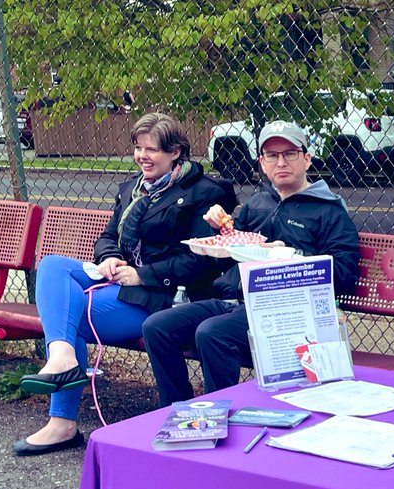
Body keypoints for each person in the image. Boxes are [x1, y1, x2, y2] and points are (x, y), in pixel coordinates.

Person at [13, 113, 236, 456]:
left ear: (175, 152)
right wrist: (110, 258)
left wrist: (143, 274)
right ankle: (62, 357)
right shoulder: (133, 189)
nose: (142, 156)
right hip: (122, 285)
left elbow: (203, 258)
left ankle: (62, 421)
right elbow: (106, 236)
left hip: (166, 298)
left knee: (68, 315)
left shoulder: (204, 194)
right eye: (138, 148)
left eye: (152, 149)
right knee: (53, 266)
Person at [142, 120, 360, 405]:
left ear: (306, 159)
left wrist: (290, 258)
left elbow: (343, 274)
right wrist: (219, 230)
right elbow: (229, 252)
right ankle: (176, 411)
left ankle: (218, 416)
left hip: (287, 313)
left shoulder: (329, 211)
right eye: (272, 155)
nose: (280, 162)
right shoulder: (258, 204)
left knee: (211, 333)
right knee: (157, 327)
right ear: (262, 162)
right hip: (236, 302)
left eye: (290, 153)